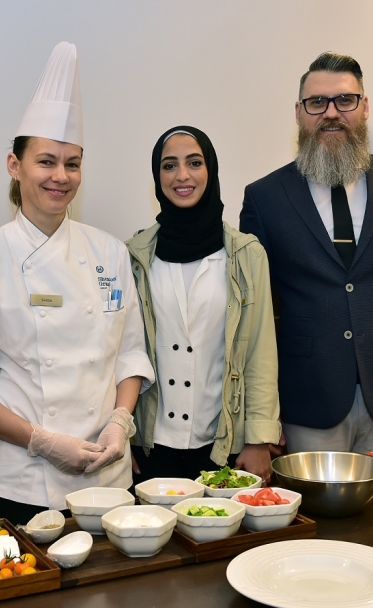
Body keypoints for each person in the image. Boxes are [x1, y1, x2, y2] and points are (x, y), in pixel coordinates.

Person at [0, 42, 154, 525]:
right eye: (46, 161)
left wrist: (120, 423)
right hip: (21, 481)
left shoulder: (110, 252)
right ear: (14, 165)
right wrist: (43, 441)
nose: (61, 177)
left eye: (72, 163)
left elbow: (129, 354)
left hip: (109, 476)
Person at [239, 52, 373, 455]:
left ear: (365, 106)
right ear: (299, 113)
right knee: (313, 501)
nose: (331, 113)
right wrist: (261, 414)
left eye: (344, 100)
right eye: (316, 102)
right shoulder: (264, 198)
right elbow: (254, 314)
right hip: (306, 401)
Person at [126, 126, 280, 484]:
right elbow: (122, 353)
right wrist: (122, 434)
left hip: (224, 444)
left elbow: (260, 352)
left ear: (211, 170)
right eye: (169, 165)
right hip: (150, 446)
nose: (182, 175)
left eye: (194, 163)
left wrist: (258, 439)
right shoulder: (134, 255)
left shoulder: (246, 254)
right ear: (157, 177)